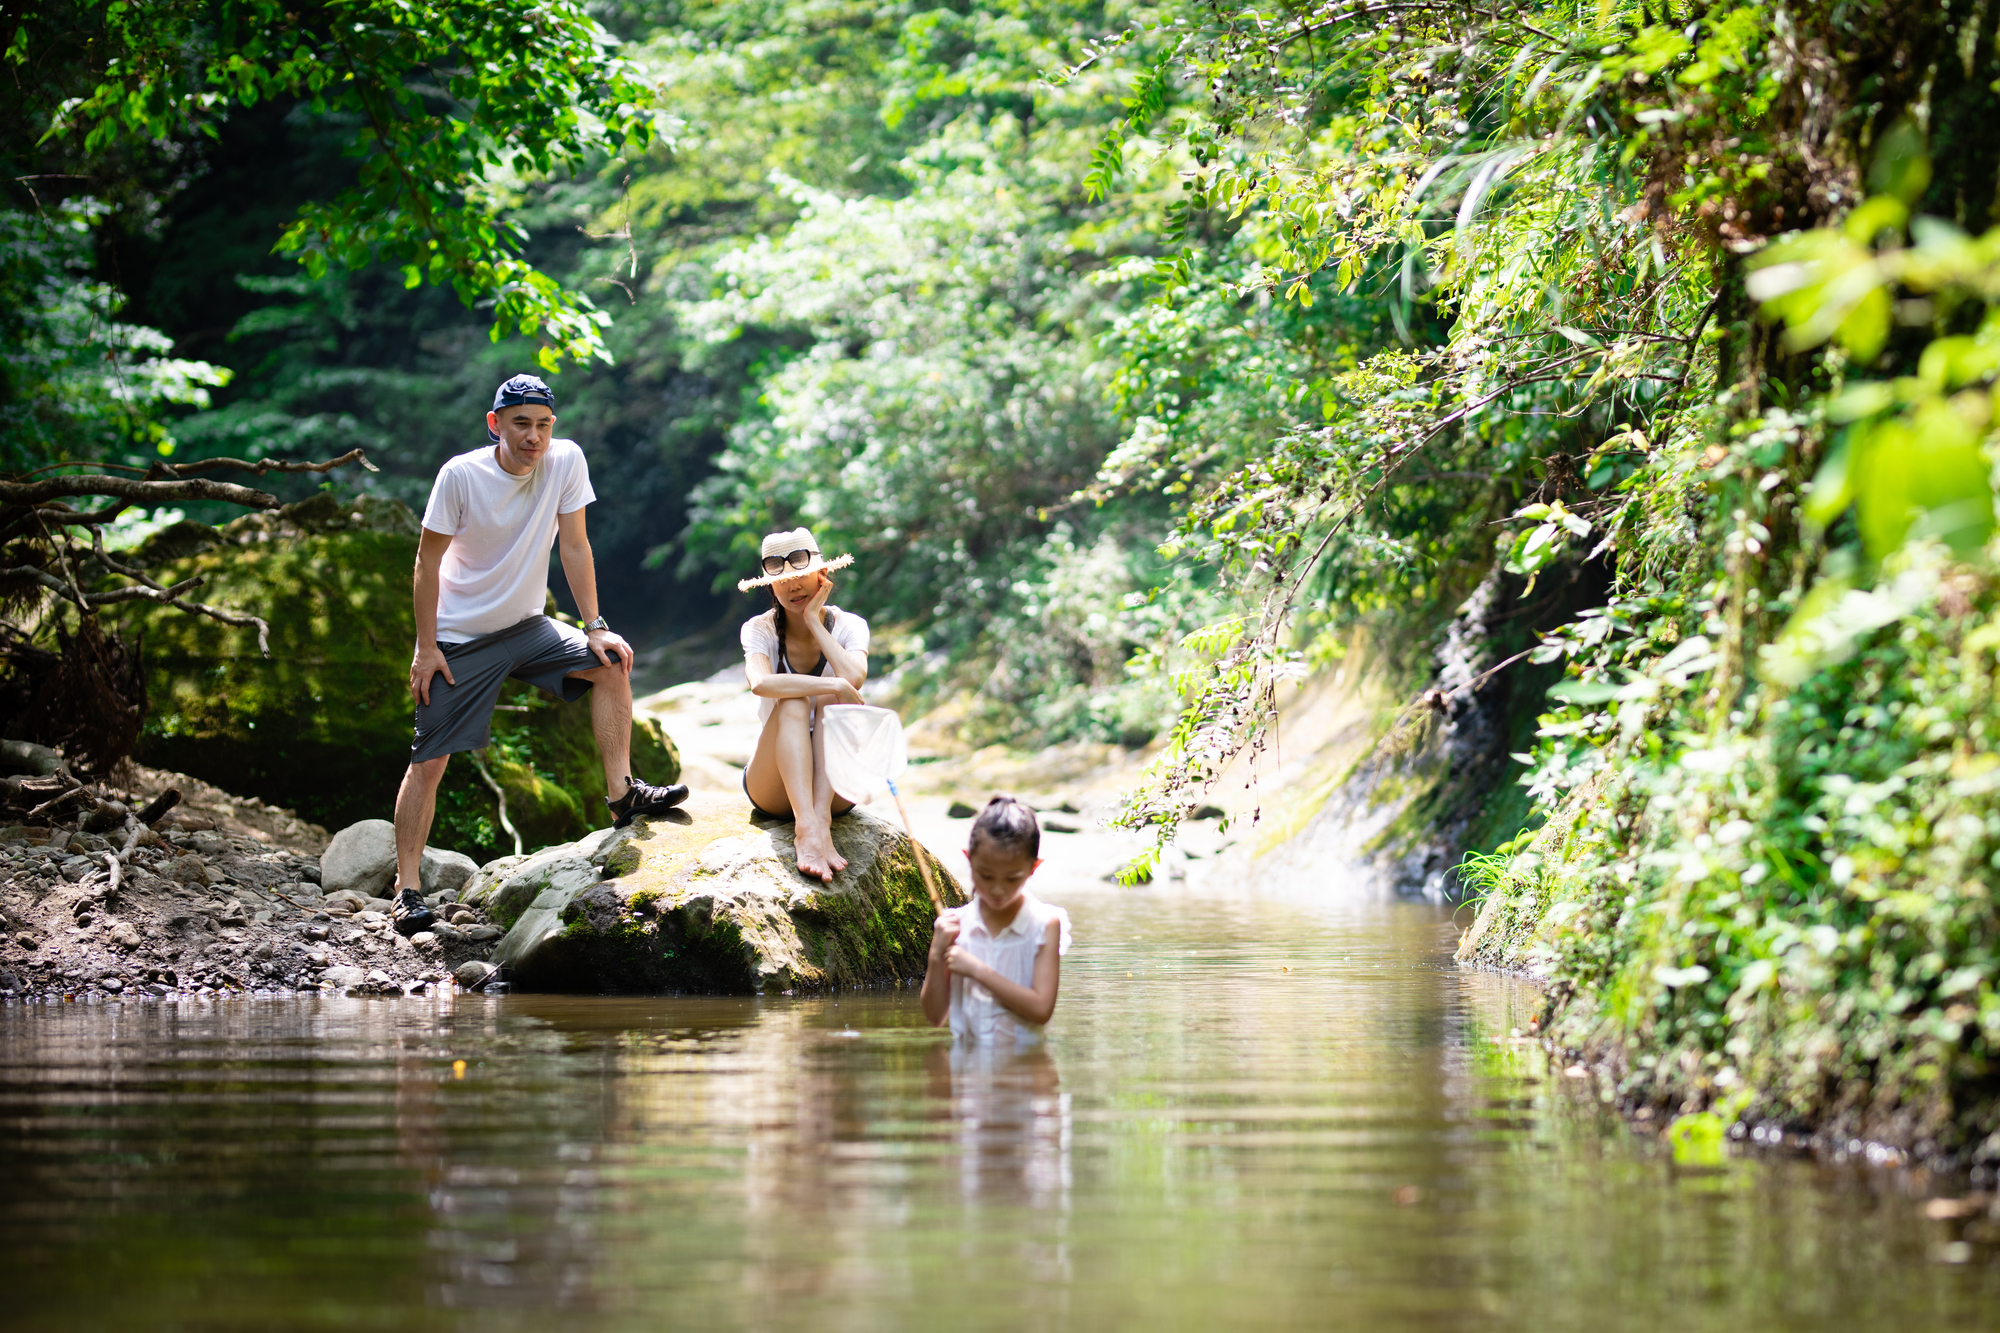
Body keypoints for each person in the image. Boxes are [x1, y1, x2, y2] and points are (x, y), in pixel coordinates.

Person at [391, 374, 688, 936]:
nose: (534, 437)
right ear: (495, 424)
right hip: (459, 639)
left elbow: (575, 543)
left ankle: (623, 795)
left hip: (528, 626)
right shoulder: (460, 475)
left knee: (611, 662)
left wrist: (595, 625)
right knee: (429, 762)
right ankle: (407, 891)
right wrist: (425, 648)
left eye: (544, 425)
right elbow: (426, 563)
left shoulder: (565, 461)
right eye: (521, 424)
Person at [738, 527, 870, 883]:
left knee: (831, 698)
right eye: (781, 581)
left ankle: (822, 823)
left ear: (821, 575)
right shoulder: (759, 629)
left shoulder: (849, 626)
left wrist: (814, 621)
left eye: (800, 576)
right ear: (770, 586)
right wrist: (834, 683)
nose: (793, 587)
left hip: (837, 787)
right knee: (793, 702)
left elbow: (853, 677)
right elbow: (761, 683)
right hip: (775, 787)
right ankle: (806, 827)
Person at [921, 797, 1071, 1045]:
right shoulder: (955, 926)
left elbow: (1041, 1010)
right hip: (967, 1074)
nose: (997, 890)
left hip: (1025, 1074)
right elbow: (934, 1017)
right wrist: (936, 955)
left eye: (1012, 878)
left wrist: (977, 970)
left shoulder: (1045, 924)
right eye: (986, 876)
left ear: (1034, 867)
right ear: (968, 859)